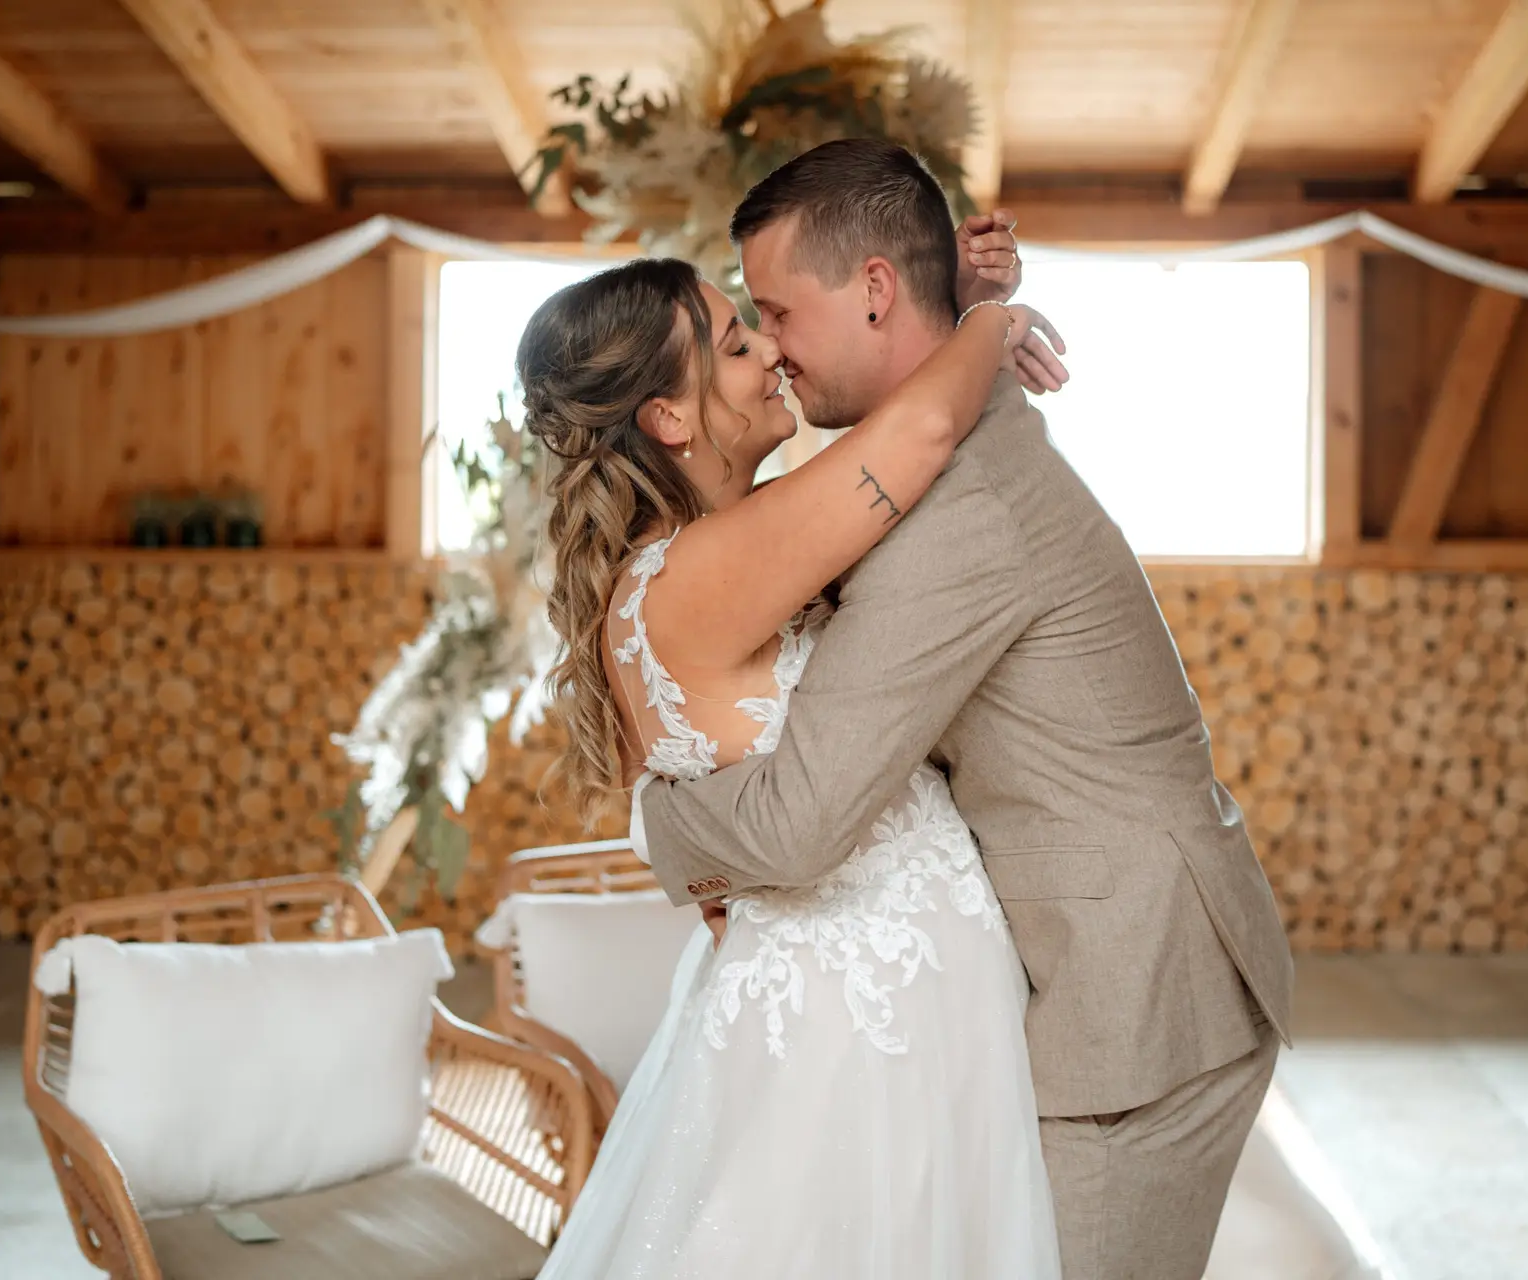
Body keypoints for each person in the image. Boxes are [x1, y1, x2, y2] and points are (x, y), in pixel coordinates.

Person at [628, 137, 1296, 1280]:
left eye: (777, 312)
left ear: (877, 290)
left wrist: (661, 825)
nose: (772, 348)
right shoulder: (937, 453)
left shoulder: (959, 508)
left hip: (1136, 997)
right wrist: (980, 311)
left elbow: (797, 825)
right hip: (1082, 968)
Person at [522, 176, 1069, 1275]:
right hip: (859, 1026)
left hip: (868, 994)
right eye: (735, 342)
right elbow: (915, 431)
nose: (770, 355)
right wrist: (987, 322)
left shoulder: (689, 565)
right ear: (668, 417)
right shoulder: (707, 566)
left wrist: (934, 295)